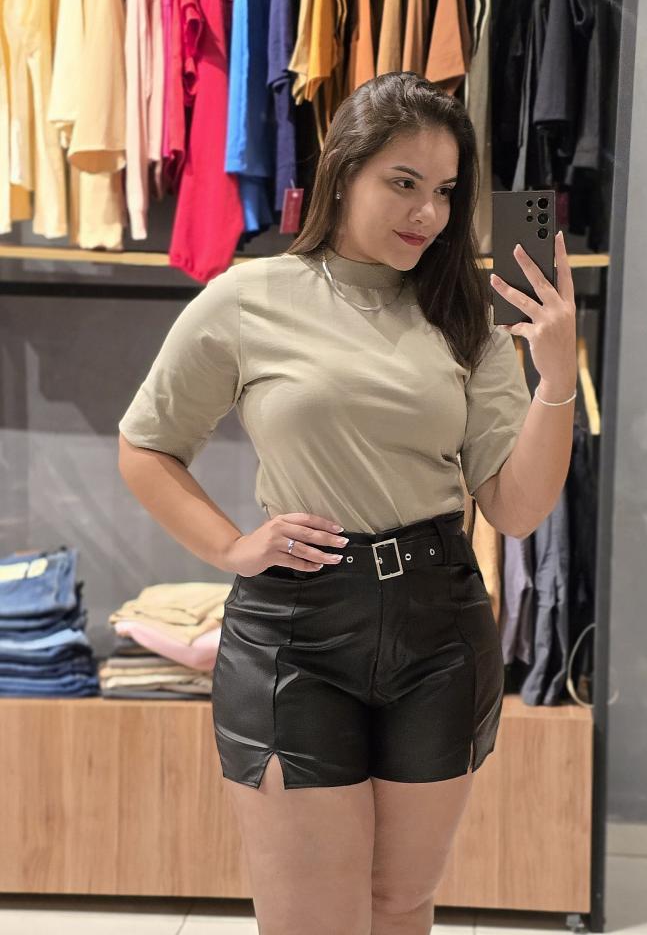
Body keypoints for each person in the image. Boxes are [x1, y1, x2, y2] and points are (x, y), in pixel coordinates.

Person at [117, 71, 577, 935]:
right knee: (311, 921)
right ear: (342, 171)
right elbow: (146, 446)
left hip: (438, 627)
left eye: (446, 191)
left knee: (400, 905)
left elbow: (514, 510)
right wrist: (231, 548)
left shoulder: (465, 318)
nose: (428, 213)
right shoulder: (249, 298)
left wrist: (556, 379)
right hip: (295, 631)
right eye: (403, 183)